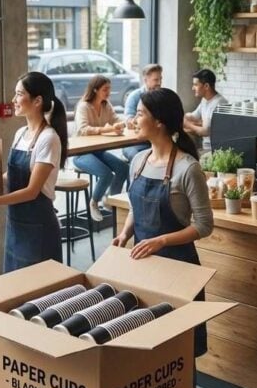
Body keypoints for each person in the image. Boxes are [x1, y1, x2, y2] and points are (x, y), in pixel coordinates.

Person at [112, 88, 213, 358]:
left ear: (159, 122)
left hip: (179, 270)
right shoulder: (138, 161)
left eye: (140, 113)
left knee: (179, 350)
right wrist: (124, 234)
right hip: (143, 269)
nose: (134, 119)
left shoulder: (187, 168)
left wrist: (162, 240)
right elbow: (136, 207)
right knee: (148, 348)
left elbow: (204, 225)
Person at [0, 72, 68, 272]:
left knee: (39, 295)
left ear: (37, 101)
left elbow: (31, 191)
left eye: (19, 94)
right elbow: (9, 177)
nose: (13, 100)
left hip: (39, 229)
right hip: (16, 227)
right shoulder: (20, 134)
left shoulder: (49, 138)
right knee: (16, 289)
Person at [74, 75, 128, 221]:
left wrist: (126, 123)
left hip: (98, 151)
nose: (108, 92)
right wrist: (107, 129)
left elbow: (116, 119)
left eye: (109, 88)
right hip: (81, 153)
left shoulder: (106, 104)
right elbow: (82, 129)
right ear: (95, 90)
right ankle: (94, 202)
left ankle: (111, 200)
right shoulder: (83, 106)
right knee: (106, 174)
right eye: (105, 89)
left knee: (123, 168)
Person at [122, 63, 163, 162]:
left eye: (160, 79)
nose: (159, 83)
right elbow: (129, 122)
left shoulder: (162, 96)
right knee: (140, 159)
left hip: (156, 141)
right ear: (145, 80)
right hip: (135, 144)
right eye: (156, 80)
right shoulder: (135, 97)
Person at [183, 69, 228, 154]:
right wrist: (180, 116)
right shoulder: (205, 100)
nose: (193, 88)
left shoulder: (219, 103)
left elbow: (205, 131)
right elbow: (193, 116)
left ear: (206, 86)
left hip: (216, 150)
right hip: (206, 148)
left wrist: (187, 124)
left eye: (196, 85)